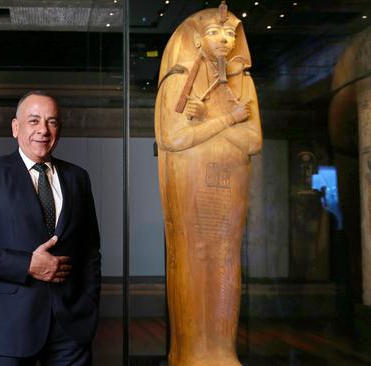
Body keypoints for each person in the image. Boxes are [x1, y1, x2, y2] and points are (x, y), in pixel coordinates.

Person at [0, 91, 101, 365]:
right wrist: (27, 265)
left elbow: (91, 250)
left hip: (71, 328)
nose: (43, 130)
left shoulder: (78, 178)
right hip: (8, 326)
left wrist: (88, 304)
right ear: (16, 127)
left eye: (52, 122)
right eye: (34, 121)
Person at [154, 2, 262, 366]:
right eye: (215, 32)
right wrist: (228, 119)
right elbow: (174, 137)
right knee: (192, 256)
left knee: (227, 258)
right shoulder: (180, 77)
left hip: (230, 182)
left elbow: (253, 141)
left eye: (231, 33)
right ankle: (191, 351)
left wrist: (215, 117)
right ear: (197, 40)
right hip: (190, 182)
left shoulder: (243, 82)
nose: (225, 40)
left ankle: (223, 351)